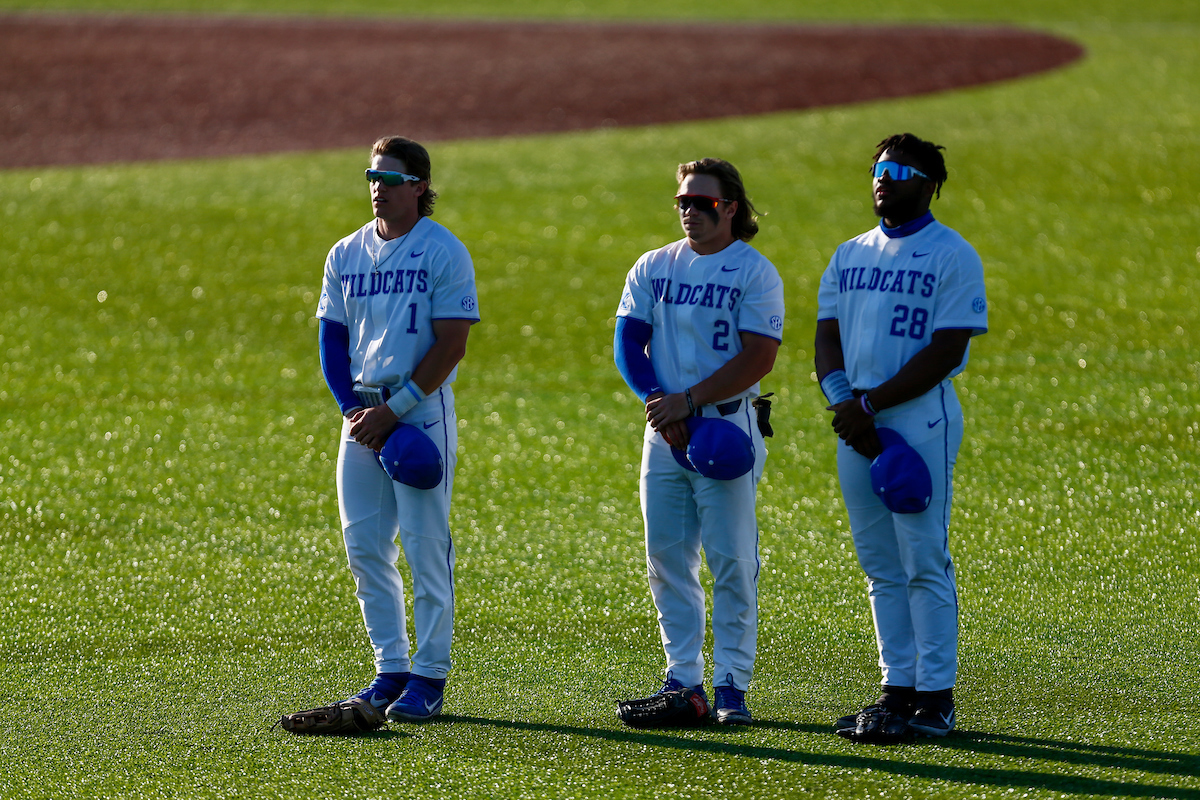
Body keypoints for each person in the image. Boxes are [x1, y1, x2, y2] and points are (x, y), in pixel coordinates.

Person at [814, 133, 987, 742]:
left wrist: (870, 405)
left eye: (898, 169)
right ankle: (898, 689)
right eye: (877, 168)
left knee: (923, 559)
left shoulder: (952, 254)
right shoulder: (848, 253)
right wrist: (844, 402)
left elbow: (948, 349)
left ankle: (936, 698)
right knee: (881, 565)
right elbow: (826, 338)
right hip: (856, 421)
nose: (883, 178)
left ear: (929, 182)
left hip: (918, 419)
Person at [314, 135, 479, 723]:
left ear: (418, 187)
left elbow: (452, 344)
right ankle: (390, 670)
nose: (376, 188)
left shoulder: (444, 251)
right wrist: (352, 410)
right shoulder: (345, 253)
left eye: (388, 179)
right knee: (364, 547)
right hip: (361, 420)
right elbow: (332, 340)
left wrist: (396, 408)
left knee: (425, 547)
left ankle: (430, 677)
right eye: (370, 177)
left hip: (420, 413)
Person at [614, 158, 784, 726]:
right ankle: (683, 681)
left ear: (730, 208)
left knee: (732, 560)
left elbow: (758, 357)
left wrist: (688, 402)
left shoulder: (755, 273)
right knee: (665, 558)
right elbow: (627, 344)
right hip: (665, 431)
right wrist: (663, 404)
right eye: (683, 201)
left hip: (727, 428)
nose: (690, 211)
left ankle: (732, 685)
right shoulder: (653, 265)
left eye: (702, 203)